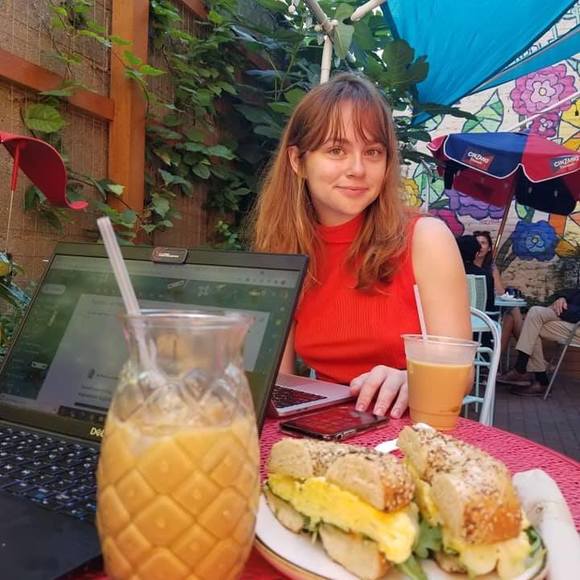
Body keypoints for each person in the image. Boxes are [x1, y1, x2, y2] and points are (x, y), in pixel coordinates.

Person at [250, 72, 471, 418]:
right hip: (319, 429)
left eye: (372, 152)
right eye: (336, 150)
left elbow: (459, 375)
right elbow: (279, 383)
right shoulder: (284, 249)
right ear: (297, 161)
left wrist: (412, 379)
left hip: (407, 429)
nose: (357, 169)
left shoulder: (425, 239)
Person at [498, 289, 580, 396]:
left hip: (575, 322)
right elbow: (575, 292)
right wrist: (562, 298)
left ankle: (524, 370)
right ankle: (532, 376)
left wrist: (562, 308)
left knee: (533, 324)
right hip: (570, 315)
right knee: (534, 317)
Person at [473, 230, 523, 354]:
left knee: (513, 313)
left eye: (483, 243)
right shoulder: (465, 266)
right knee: (512, 314)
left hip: (488, 310)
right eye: (477, 243)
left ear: (489, 248)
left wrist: (493, 273)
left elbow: (500, 292)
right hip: (477, 312)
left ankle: (520, 354)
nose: (480, 246)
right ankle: (523, 354)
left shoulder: (490, 268)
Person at [456, 235, 495, 312]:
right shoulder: (485, 275)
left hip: (453, 316)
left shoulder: (449, 273)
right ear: (477, 254)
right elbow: (490, 304)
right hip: (478, 317)